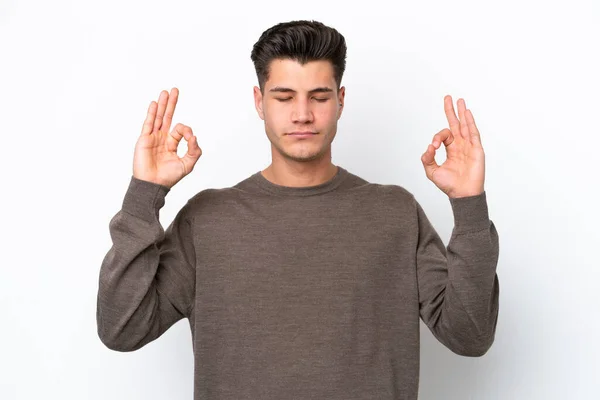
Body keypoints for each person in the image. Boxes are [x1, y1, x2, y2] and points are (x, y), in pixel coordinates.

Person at [96, 19, 499, 400]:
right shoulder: (208, 220)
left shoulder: (395, 213)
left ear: (340, 100)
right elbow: (121, 328)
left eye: (319, 97)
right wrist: (144, 194)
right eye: (284, 97)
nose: (302, 114)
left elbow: (470, 336)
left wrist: (469, 208)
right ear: (259, 101)